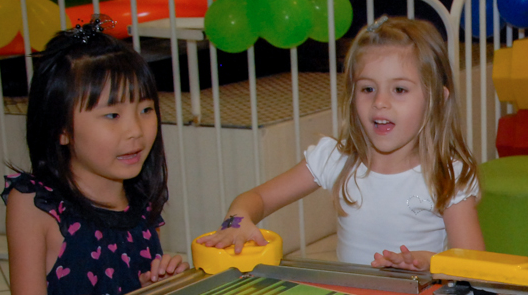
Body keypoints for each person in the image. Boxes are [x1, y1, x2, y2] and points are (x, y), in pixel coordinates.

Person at [202, 16, 483, 270]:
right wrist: (237, 221)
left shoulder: (448, 177)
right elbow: (257, 199)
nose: (380, 102)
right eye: (367, 89)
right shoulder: (334, 159)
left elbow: (474, 266)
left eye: (399, 89)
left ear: (437, 99)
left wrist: (430, 264)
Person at [4, 18, 186, 295]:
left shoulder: (139, 199)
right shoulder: (36, 204)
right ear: (61, 128)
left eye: (145, 110)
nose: (135, 131)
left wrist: (156, 288)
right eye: (112, 115)